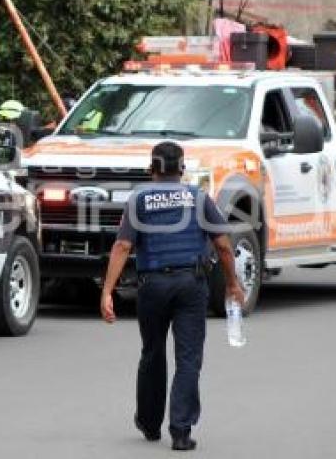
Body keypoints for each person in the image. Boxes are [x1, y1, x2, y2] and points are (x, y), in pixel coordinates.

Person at [100, 141, 245, 452]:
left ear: (152, 168)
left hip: (151, 285)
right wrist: (233, 284)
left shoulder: (137, 200)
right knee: (188, 359)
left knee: (152, 353)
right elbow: (222, 245)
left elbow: (123, 247)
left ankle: (150, 424)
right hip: (191, 285)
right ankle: (181, 431)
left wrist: (108, 290)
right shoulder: (198, 197)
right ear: (181, 168)